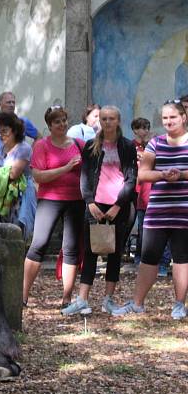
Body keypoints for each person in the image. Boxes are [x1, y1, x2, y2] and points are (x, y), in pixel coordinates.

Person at [114, 101, 188, 319]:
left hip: (184, 210)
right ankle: (137, 303)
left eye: (173, 117)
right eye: (164, 118)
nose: (168, 121)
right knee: (148, 257)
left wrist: (181, 175)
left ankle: (179, 304)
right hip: (157, 211)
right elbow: (143, 174)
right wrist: (163, 175)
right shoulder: (155, 143)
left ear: (183, 117)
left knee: (181, 258)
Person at [62, 106, 137, 316]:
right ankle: (82, 299)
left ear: (118, 120)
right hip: (95, 205)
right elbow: (84, 177)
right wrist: (89, 202)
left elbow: (131, 179)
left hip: (118, 206)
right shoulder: (90, 146)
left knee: (115, 253)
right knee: (91, 251)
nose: (107, 122)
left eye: (112, 118)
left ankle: (108, 300)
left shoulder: (127, 146)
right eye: (104, 118)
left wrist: (118, 205)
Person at [23, 106, 85, 308]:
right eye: (57, 121)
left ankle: (67, 297)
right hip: (50, 199)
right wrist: (66, 168)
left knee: (71, 248)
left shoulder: (79, 144)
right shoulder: (42, 146)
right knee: (39, 244)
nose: (62, 124)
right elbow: (39, 176)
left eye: (64, 120)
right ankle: (23, 295)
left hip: (76, 199)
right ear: (49, 125)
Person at [0, 112, 36, 237]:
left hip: (21, 196)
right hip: (5, 196)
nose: (1, 135)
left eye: (4, 131)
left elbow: (13, 174)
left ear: (15, 130)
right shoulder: (3, 148)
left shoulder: (24, 148)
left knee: (18, 233)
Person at [0, 91, 40, 164]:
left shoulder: (22, 122)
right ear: (0, 104)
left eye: (13, 102)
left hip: (16, 163)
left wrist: (30, 154)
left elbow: (38, 137)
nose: (11, 105)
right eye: (8, 102)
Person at [130, 117, 153, 267]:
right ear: (135, 129)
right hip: (133, 188)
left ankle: (141, 256)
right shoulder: (131, 146)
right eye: (141, 128)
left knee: (144, 225)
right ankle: (135, 254)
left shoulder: (150, 146)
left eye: (146, 128)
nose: (144, 131)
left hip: (146, 188)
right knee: (133, 222)